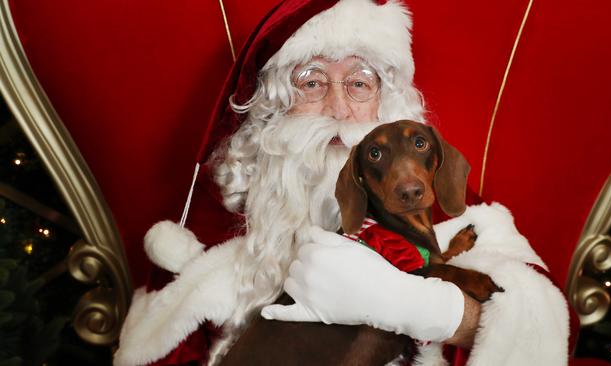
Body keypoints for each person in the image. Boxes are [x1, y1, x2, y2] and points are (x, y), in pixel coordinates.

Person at [114, 0, 572, 365]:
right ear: (274, 103)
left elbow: (544, 323)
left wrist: (415, 305)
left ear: (386, 100)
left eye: (358, 83)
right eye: (311, 83)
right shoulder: (215, 220)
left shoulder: (443, 204)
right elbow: (154, 353)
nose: (337, 107)